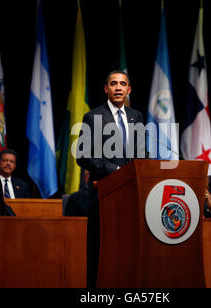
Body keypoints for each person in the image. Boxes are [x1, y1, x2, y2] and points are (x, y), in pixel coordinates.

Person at [76, 70, 146, 287]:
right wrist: (116, 169)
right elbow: (84, 155)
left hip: (131, 194)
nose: (118, 88)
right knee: (101, 247)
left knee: (129, 247)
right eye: (113, 84)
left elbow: (141, 154)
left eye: (122, 84)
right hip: (104, 192)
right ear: (106, 89)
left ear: (129, 90)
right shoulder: (93, 116)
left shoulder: (137, 116)